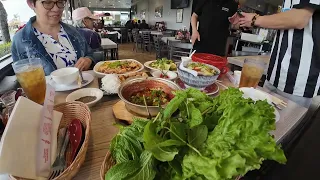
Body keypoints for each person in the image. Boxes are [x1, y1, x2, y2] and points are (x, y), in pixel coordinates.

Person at [231, 0, 319, 108]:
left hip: (298, 81)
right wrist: (248, 20)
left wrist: (255, 19)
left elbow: (299, 19)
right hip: (274, 75)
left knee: (285, 123)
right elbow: (287, 21)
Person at [11, 0, 95, 75]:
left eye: (60, 2)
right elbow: (24, 79)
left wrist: (88, 59)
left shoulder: (73, 31)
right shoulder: (21, 40)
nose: (56, 9)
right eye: (47, 2)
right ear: (31, 4)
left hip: (83, 90)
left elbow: (90, 53)